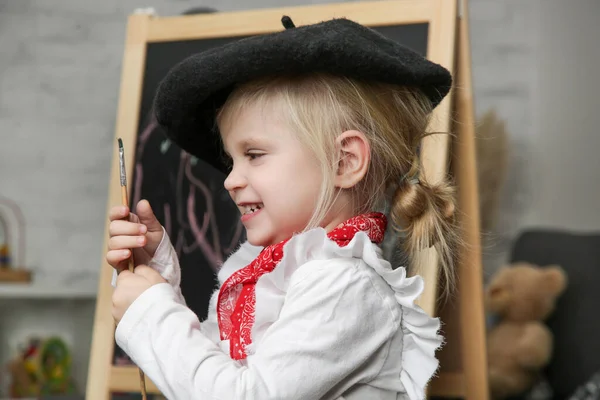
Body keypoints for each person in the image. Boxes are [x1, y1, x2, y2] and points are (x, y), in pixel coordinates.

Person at [106, 15, 459, 399]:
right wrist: (157, 281)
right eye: (231, 161)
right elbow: (206, 376)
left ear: (344, 162)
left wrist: (152, 312)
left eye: (254, 155)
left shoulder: (344, 287)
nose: (229, 180)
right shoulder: (276, 278)